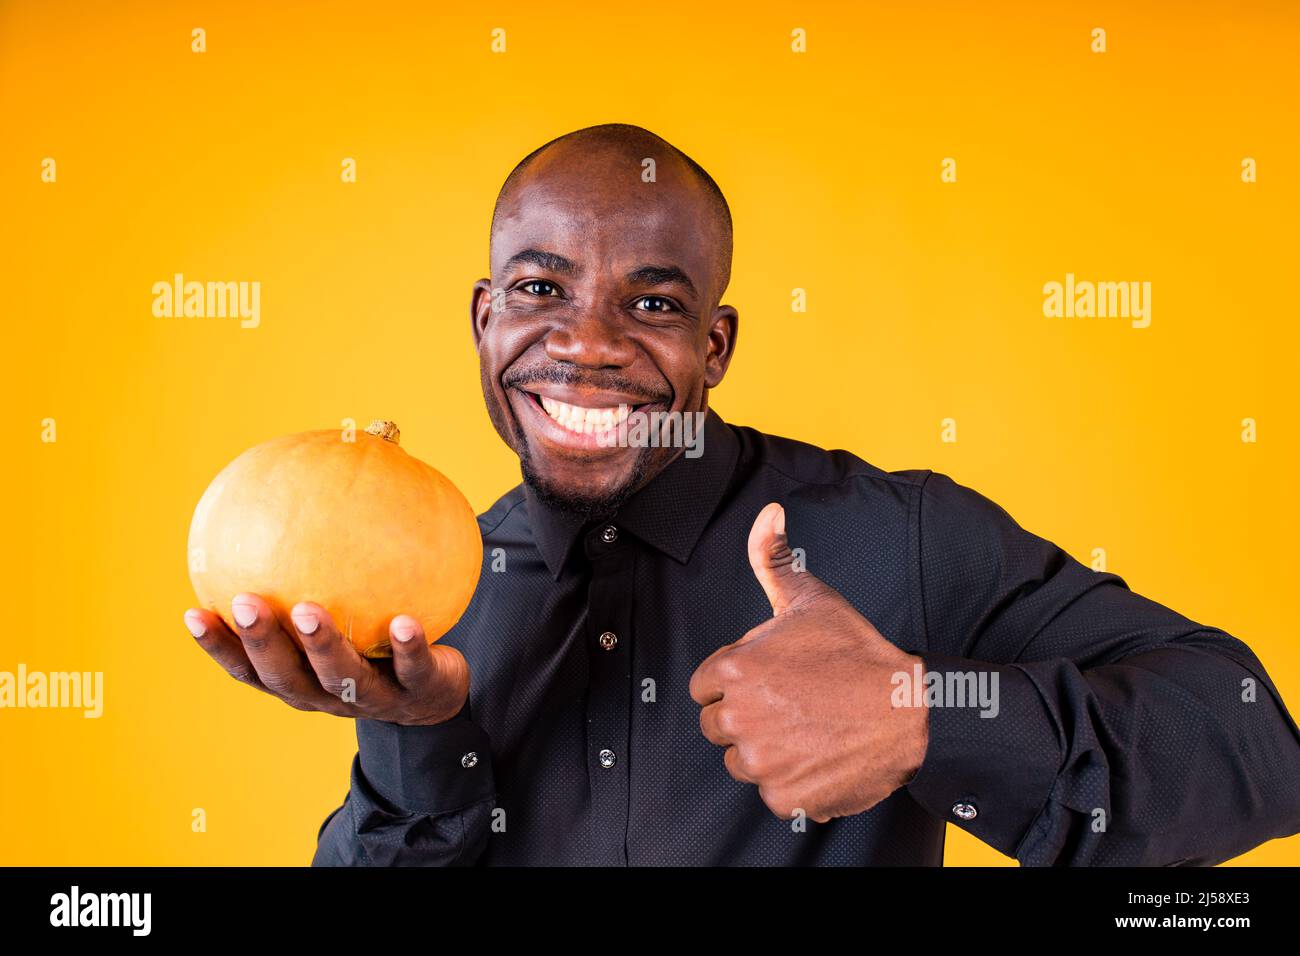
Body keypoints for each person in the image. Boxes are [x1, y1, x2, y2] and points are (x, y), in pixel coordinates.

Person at [182, 123, 1300, 865]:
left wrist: (927, 714)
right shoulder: (426, 584)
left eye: (652, 305)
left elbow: (1254, 746)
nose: (586, 345)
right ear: (485, 319)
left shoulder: (896, 537)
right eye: (540, 289)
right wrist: (415, 729)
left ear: (713, 345)